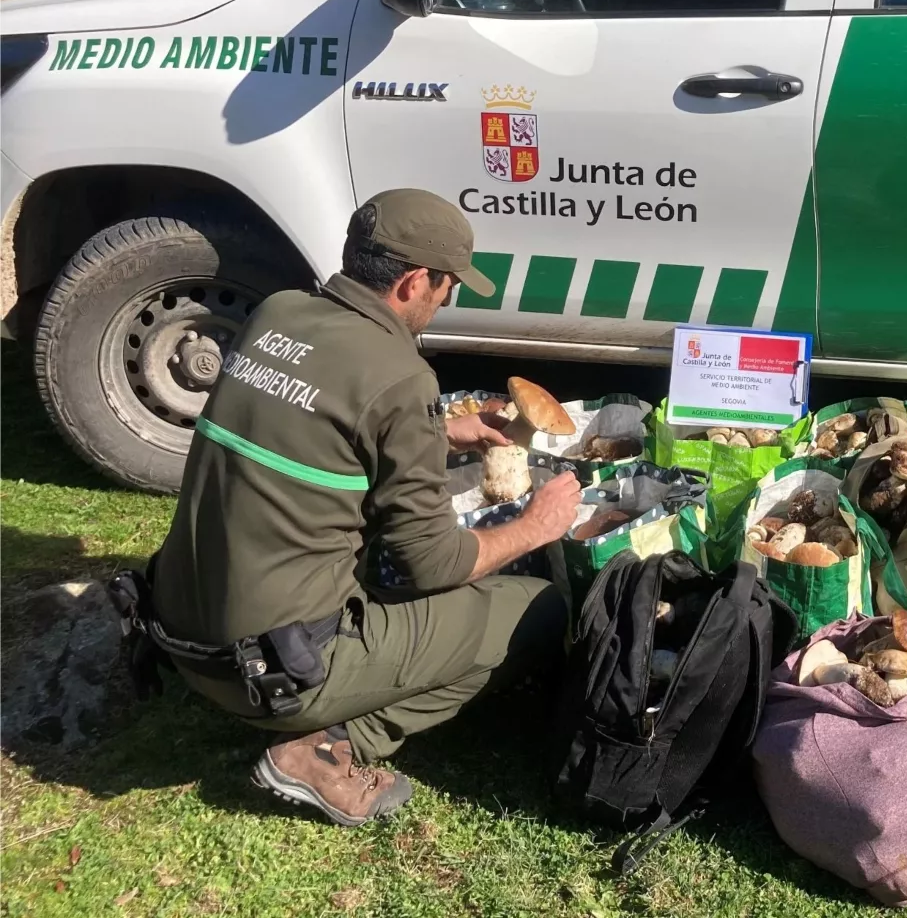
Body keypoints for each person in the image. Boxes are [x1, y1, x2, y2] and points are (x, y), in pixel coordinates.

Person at [147, 189, 582, 826]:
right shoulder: (400, 375)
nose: (447, 299)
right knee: (536, 610)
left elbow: (321, 421)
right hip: (277, 672)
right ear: (412, 282)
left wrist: (439, 433)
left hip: (180, 633)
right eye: (446, 286)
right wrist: (535, 526)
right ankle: (333, 749)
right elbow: (433, 564)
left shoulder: (277, 313)